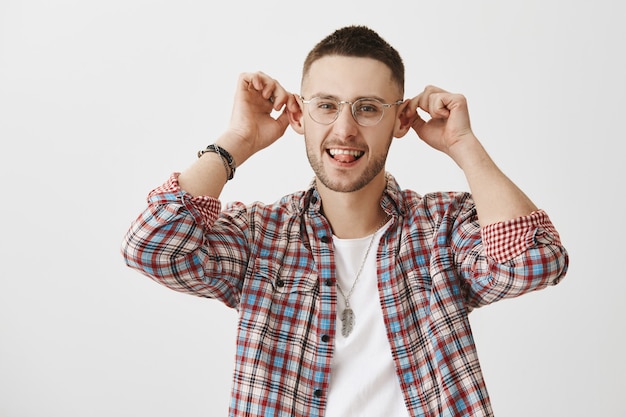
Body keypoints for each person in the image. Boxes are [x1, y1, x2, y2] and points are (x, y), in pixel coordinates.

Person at [121, 25, 569, 417]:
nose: (345, 129)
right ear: (298, 115)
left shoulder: (442, 229)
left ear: (400, 119)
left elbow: (536, 261)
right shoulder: (261, 237)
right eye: (327, 105)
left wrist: (464, 145)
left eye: (369, 107)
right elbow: (150, 245)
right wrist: (237, 141)